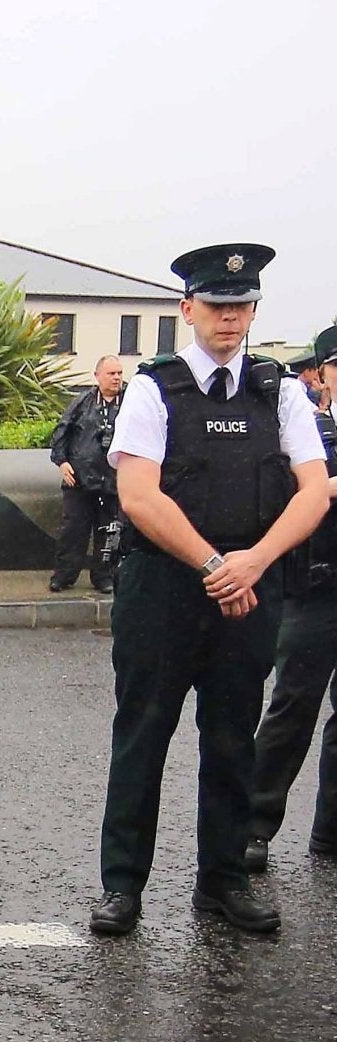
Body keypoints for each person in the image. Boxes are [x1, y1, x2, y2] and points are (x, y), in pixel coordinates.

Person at [89, 247, 330, 938]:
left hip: (250, 591)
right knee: (141, 736)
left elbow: (311, 489)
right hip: (164, 588)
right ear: (186, 309)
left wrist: (252, 561)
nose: (229, 318)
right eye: (216, 305)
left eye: (241, 306)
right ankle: (121, 887)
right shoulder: (151, 388)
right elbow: (138, 494)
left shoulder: (278, 390)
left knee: (232, 741)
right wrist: (212, 565)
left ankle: (222, 881)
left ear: (253, 311)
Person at [243, 323, 337, 871]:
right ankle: (253, 827)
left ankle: (330, 834)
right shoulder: (309, 430)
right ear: (321, 374)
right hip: (314, 587)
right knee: (292, 708)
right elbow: (286, 491)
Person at [48, 357, 126, 593]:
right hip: (80, 481)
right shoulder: (82, 402)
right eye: (111, 373)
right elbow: (61, 432)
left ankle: (104, 576)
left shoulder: (132, 402)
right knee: (74, 530)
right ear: (97, 376)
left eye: (120, 373)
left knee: (110, 531)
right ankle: (64, 576)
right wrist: (62, 462)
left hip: (114, 482)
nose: (116, 378)